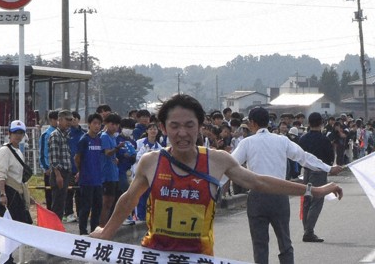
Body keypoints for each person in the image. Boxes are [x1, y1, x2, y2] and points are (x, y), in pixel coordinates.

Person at [90, 94, 343, 257]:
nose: (182, 132)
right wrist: (107, 232)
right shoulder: (151, 161)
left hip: (199, 256)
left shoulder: (217, 161)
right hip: (155, 255)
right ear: (164, 128)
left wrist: (314, 189)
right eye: (174, 125)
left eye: (189, 125)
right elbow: (129, 199)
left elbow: (260, 181)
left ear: (200, 127)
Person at [231, 107, 343, 264]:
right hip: (279, 194)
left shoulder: (246, 143)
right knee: (285, 242)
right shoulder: (281, 140)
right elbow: (304, 158)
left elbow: (229, 165)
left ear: (252, 123)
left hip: (257, 196)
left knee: (260, 244)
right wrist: (329, 168)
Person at [0, 120, 32, 264]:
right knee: (10, 228)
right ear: (9, 133)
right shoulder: (5, 150)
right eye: (15, 132)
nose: (18, 135)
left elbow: (19, 177)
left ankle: (8, 257)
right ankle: (5, 259)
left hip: (17, 193)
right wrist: (2, 194)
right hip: (8, 193)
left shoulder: (18, 151)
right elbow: (0, 174)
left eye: (21, 133)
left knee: (17, 227)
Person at [299, 112, 335, 243]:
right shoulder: (324, 139)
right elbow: (330, 158)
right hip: (319, 172)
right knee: (317, 201)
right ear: (321, 123)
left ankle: (306, 229)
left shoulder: (303, 139)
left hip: (306, 171)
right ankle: (309, 232)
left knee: (307, 200)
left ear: (309, 123)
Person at [74, 113, 103, 235]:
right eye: (94, 123)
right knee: (86, 207)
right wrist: (81, 171)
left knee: (97, 207)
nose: (97, 126)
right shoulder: (84, 140)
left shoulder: (99, 140)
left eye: (99, 124)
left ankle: (94, 230)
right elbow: (77, 158)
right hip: (87, 179)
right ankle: (82, 231)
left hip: (98, 179)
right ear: (89, 124)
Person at [99, 113, 124, 227]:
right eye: (112, 124)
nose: (114, 127)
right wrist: (117, 148)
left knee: (111, 202)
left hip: (113, 173)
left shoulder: (113, 137)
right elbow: (107, 152)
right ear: (107, 124)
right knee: (106, 203)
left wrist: (116, 157)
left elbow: (111, 154)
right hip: (106, 174)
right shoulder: (104, 136)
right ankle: (102, 226)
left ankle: (107, 226)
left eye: (116, 125)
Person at [48, 110, 73, 220]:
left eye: (70, 120)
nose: (69, 122)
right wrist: (58, 175)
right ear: (59, 120)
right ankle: (54, 230)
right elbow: (54, 158)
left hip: (66, 172)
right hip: (59, 173)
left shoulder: (66, 135)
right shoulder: (55, 135)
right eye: (66, 120)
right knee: (57, 204)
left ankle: (57, 227)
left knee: (61, 203)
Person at [64, 111, 86, 223]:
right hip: (69, 167)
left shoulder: (84, 133)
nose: (73, 121)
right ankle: (68, 213)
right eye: (70, 119)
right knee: (69, 191)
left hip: (82, 168)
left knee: (80, 192)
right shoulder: (66, 134)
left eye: (75, 118)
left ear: (78, 119)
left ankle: (80, 212)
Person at [38, 110, 58, 210]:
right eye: (56, 119)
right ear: (51, 120)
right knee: (50, 195)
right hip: (50, 170)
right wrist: (46, 168)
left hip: (60, 169)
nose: (58, 122)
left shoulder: (62, 134)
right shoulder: (46, 135)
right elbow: (42, 153)